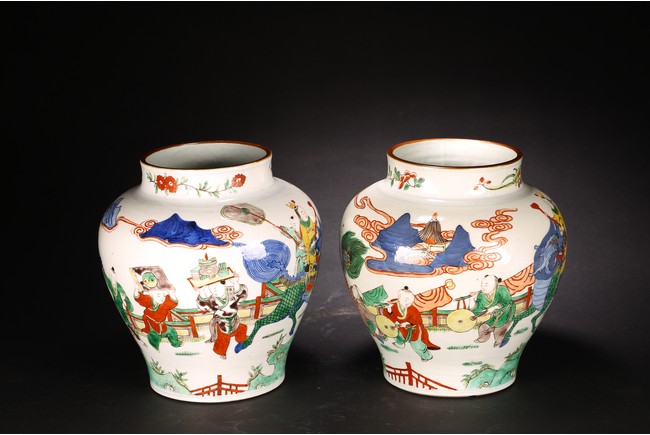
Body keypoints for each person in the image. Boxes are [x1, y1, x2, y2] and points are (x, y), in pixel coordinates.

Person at [381, 286, 440, 361]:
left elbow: (417, 322)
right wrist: (389, 312)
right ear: (399, 297)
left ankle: (426, 356)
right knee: (396, 332)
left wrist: (408, 323)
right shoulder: (393, 306)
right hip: (400, 327)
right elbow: (389, 319)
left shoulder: (413, 310)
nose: (408, 303)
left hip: (413, 330)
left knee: (418, 345)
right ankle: (399, 343)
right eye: (406, 300)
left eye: (411, 302)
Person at [197, 277, 248, 359]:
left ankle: (241, 340)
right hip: (223, 325)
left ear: (224, 284)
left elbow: (242, 295)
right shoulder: (213, 300)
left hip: (235, 321)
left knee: (242, 329)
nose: (214, 291)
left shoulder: (231, 292)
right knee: (223, 340)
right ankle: (221, 352)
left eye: (216, 288)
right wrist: (201, 291)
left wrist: (235, 283)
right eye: (211, 290)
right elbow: (205, 305)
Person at [134, 278, 182, 351]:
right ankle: (156, 350)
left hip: (163, 326)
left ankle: (176, 344)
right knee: (153, 338)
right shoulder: (148, 301)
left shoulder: (165, 303)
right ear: (151, 295)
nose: (162, 298)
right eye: (158, 295)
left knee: (172, 331)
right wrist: (136, 290)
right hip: (152, 327)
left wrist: (171, 293)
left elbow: (174, 302)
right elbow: (139, 298)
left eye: (163, 295)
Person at [469, 274, 516, 347]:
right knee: (483, 327)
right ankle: (483, 338)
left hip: (506, 312)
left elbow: (506, 301)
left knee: (499, 330)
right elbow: (477, 309)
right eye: (482, 285)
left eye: (486, 285)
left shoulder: (502, 290)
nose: (483, 287)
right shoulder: (482, 295)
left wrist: (494, 307)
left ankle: (499, 341)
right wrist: (472, 299)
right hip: (494, 315)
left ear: (495, 284)